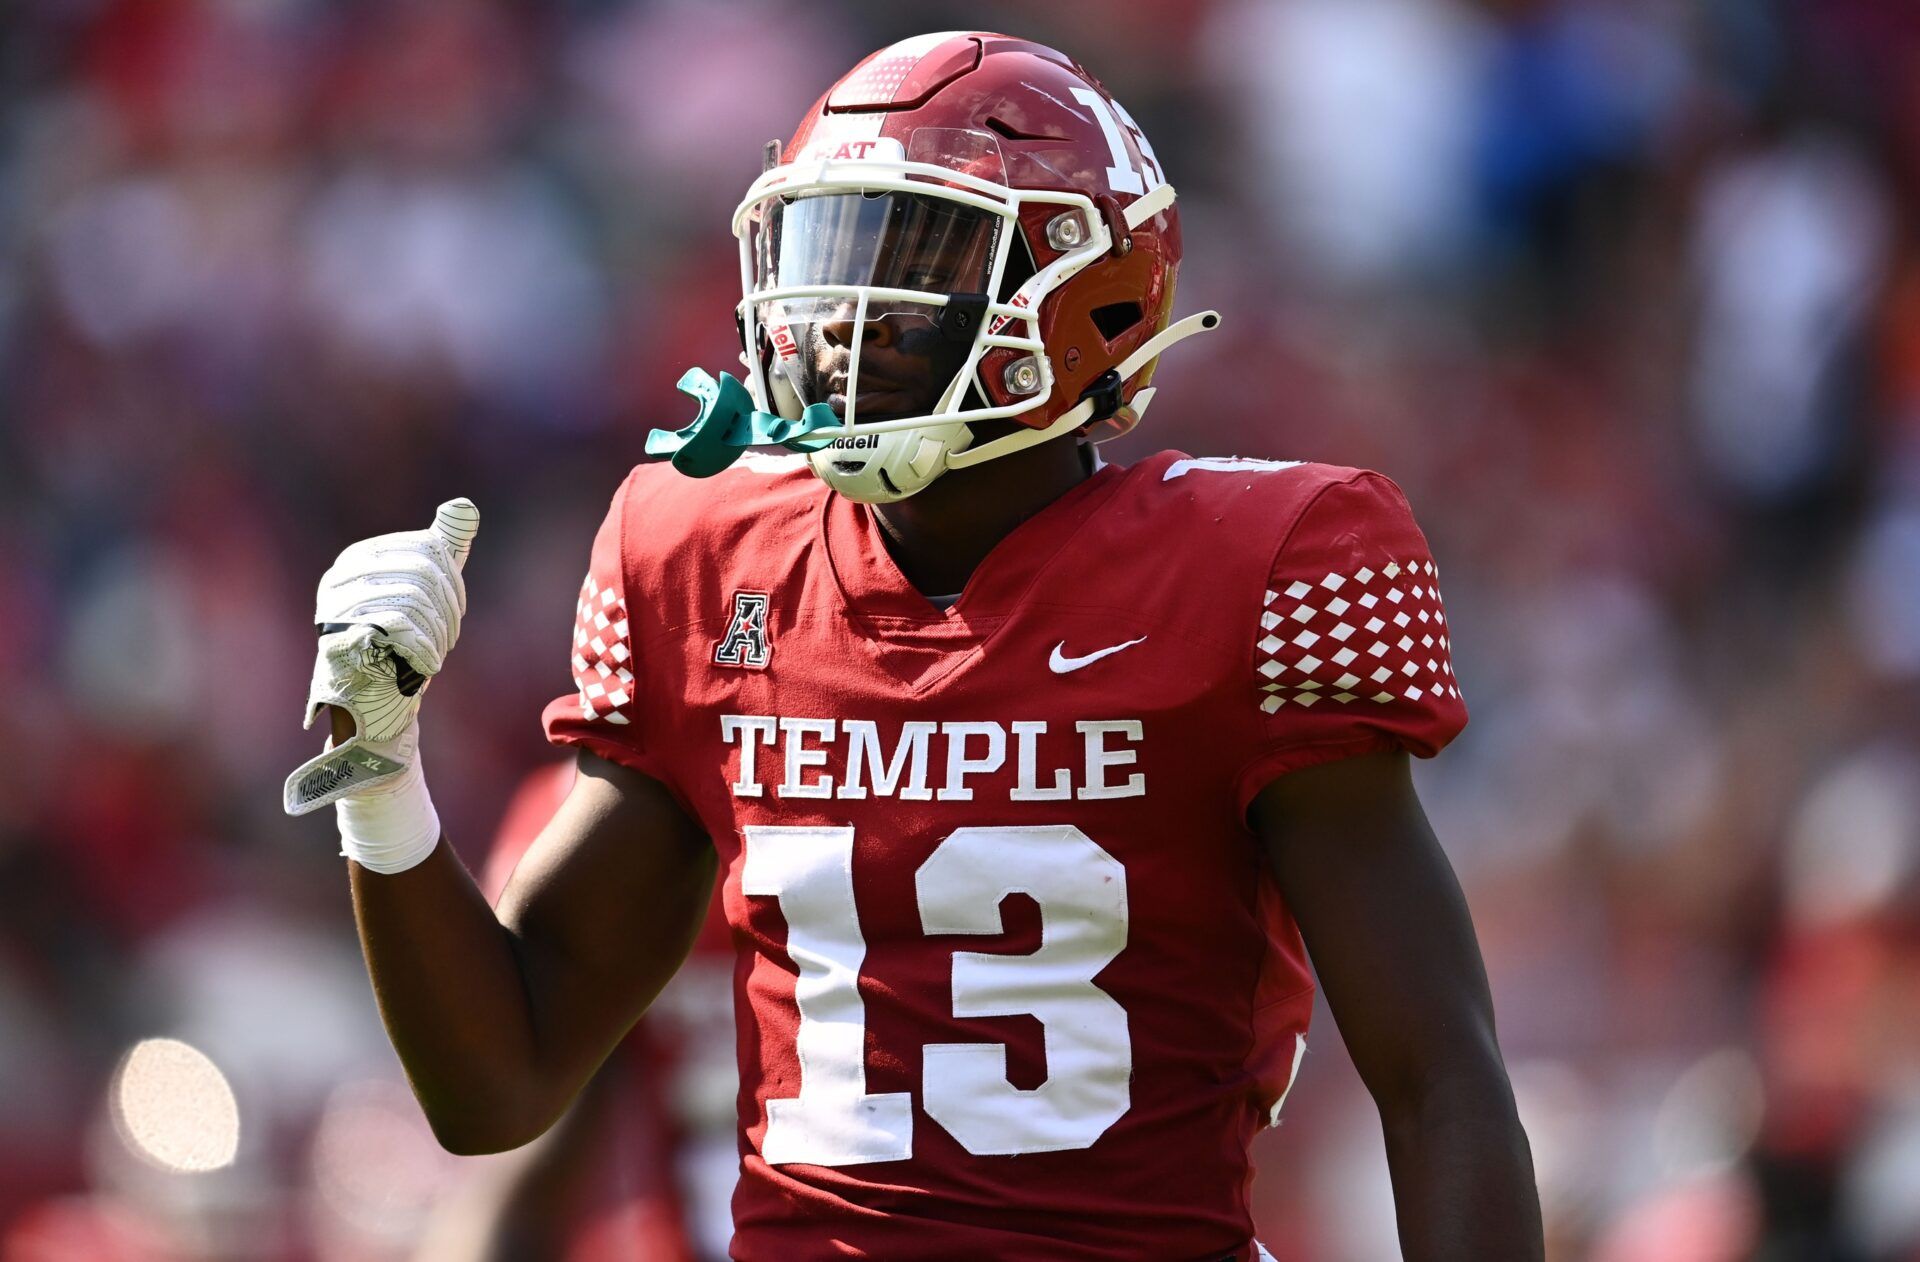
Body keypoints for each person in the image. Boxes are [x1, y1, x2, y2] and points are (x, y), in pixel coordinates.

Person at [290, 32, 1544, 1261]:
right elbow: (498, 1084)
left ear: (1078, 289)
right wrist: (380, 773)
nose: (838, 314)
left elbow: (1440, 1079)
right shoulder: (708, 557)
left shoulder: (1253, 568)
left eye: (910, 255)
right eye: (825, 254)